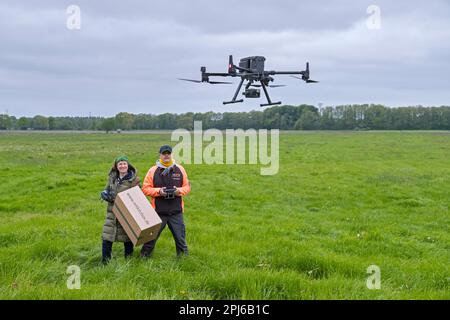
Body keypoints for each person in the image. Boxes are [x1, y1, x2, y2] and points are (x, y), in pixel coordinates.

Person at [140, 145, 191, 258]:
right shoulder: (153, 170)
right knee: (150, 239)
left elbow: (187, 187)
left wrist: (179, 191)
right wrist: (159, 191)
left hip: (176, 211)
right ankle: (143, 258)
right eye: (164, 153)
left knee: (180, 238)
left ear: (172, 154)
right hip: (158, 211)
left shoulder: (180, 169)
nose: (166, 155)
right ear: (160, 155)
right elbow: (145, 188)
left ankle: (184, 259)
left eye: (168, 153)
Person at [100, 155, 140, 264]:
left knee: (127, 238)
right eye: (120, 164)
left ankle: (129, 261)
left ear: (128, 165)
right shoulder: (112, 178)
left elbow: (136, 197)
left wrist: (115, 198)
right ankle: (105, 263)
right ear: (117, 166)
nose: (122, 166)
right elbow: (107, 189)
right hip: (112, 212)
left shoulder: (134, 180)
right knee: (107, 236)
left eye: (124, 164)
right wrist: (105, 193)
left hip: (126, 213)